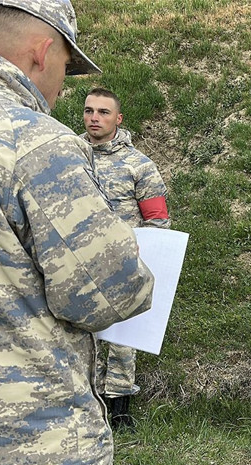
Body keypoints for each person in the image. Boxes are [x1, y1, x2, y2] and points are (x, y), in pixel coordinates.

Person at [0, 1, 155, 465]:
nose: (63, 88)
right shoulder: (36, 144)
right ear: (42, 53)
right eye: (66, 67)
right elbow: (110, 295)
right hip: (23, 446)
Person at [80, 87, 171, 430]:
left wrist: (147, 258)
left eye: (103, 112)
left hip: (123, 265)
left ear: (118, 119)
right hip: (78, 264)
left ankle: (119, 410)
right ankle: (85, 405)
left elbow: (157, 219)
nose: (94, 118)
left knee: (122, 338)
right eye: (89, 111)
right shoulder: (68, 156)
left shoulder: (139, 165)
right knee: (82, 336)